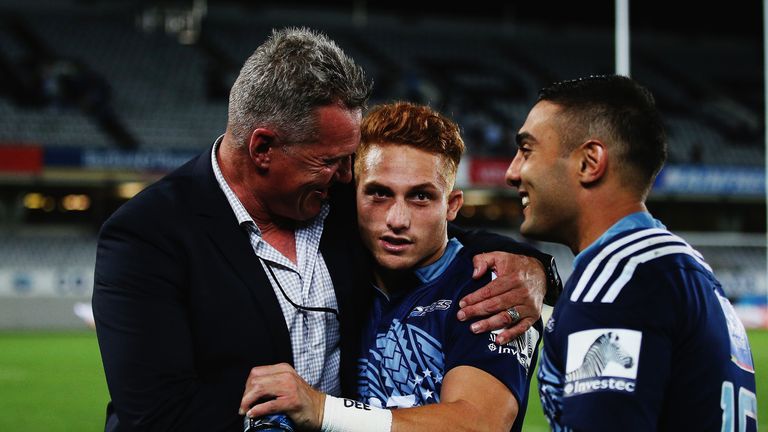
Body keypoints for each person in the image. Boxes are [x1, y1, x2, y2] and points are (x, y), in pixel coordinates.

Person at [92, 27, 559, 431]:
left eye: (349, 161)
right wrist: (289, 415)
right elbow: (156, 414)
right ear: (263, 149)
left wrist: (535, 269)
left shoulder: (332, 197)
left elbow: (430, 228)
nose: (345, 175)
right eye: (329, 161)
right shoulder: (146, 236)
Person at [239, 101, 542, 431]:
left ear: (452, 205)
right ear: (354, 197)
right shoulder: (338, 270)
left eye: (420, 197)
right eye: (379, 194)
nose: (397, 220)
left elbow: (480, 423)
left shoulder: (491, 289)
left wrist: (323, 410)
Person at [505, 75, 757, 431]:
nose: (511, 172)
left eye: (527, 150)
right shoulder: (682, 266)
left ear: (589, 162)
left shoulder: (617, 285)